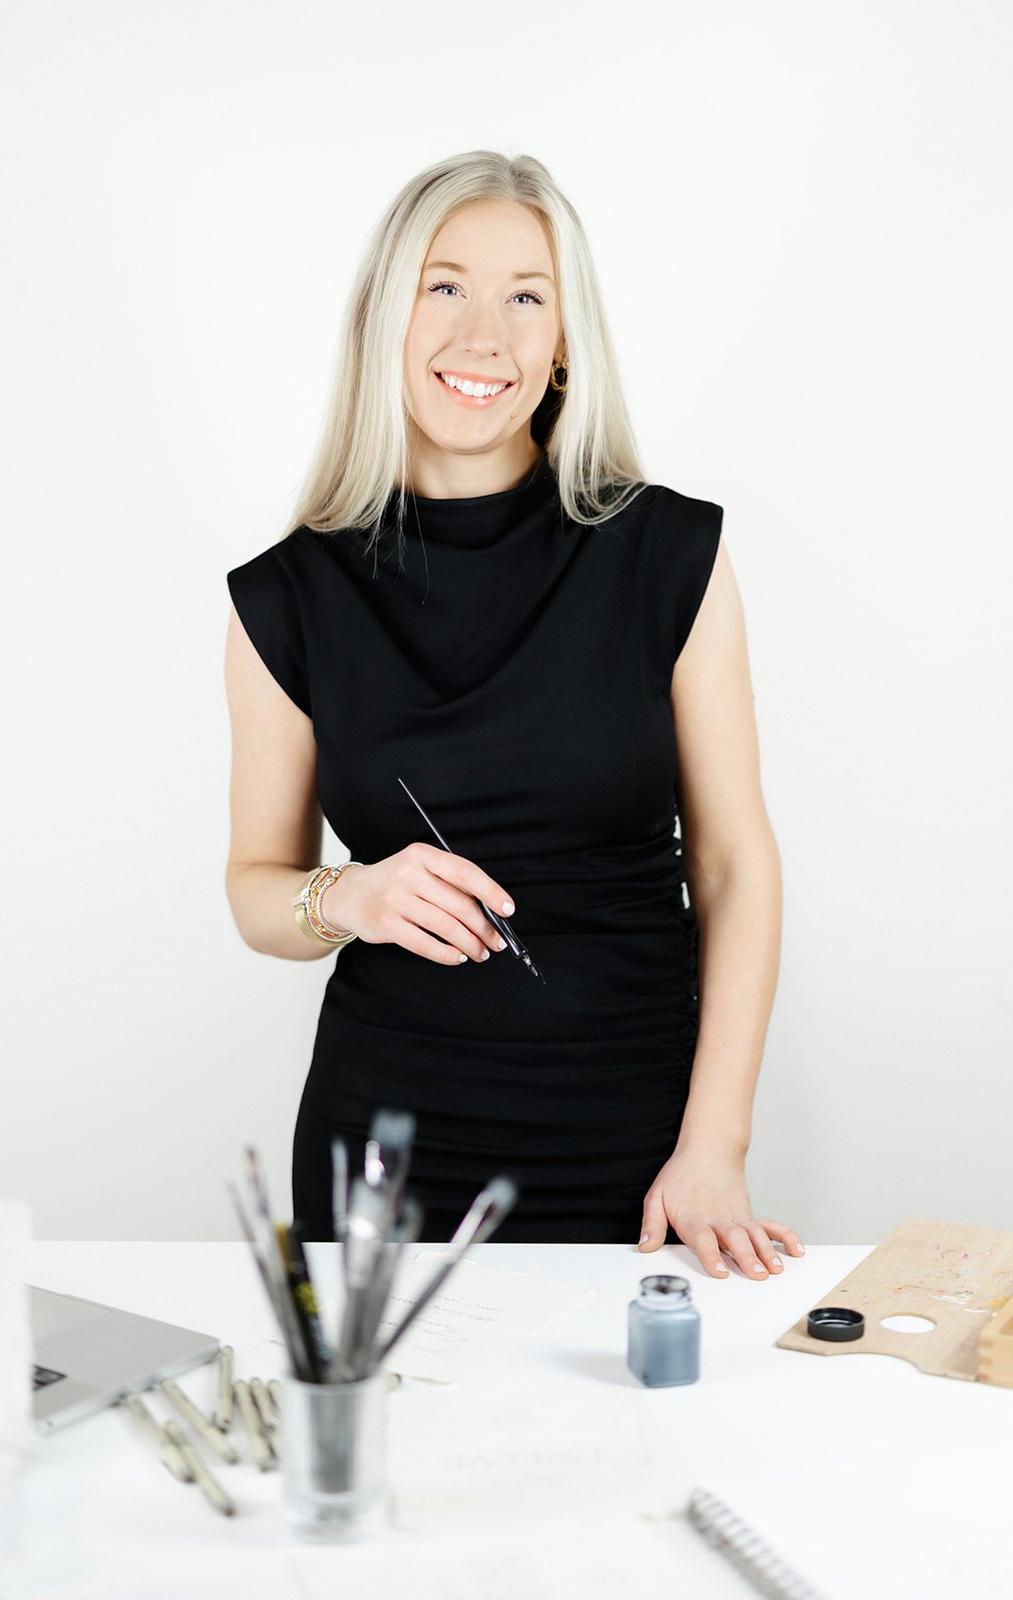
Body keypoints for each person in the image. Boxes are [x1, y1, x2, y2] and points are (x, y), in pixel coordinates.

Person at [224, 149, 804, 1278]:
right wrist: (352, 893)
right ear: (382, 320)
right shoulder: (285, 596)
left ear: (563, 343)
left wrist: (712, 1144)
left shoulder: (666, 553)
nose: (481, 335)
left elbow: (735, 864)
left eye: (524, 296)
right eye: (443, 286)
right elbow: (255, 889)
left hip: (637, 1151)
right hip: (383, 1156)